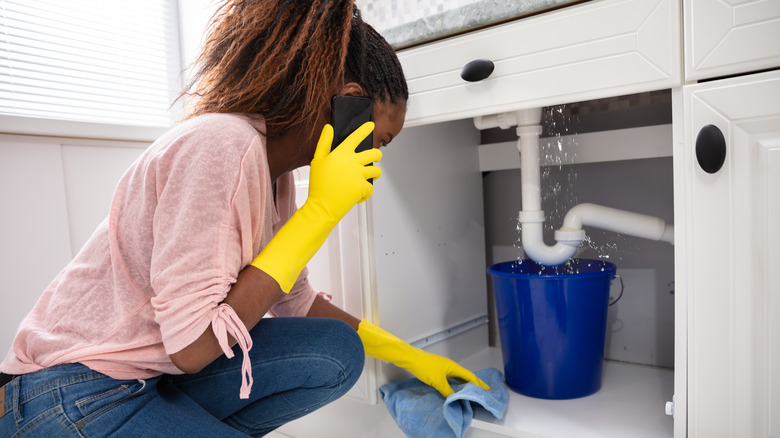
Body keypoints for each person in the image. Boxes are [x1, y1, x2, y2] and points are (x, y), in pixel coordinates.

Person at [0, 1, 488, 436]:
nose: (377, 160)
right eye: (379, 141)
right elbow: (192, 348)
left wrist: (413, 357)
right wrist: (320, 212)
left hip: (150, 379)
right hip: (68, 393)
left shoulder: (272, 176)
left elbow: (293, 301)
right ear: (350, 101)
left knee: (336, 350)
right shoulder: (221, 144)